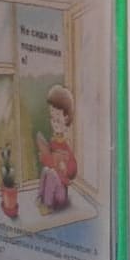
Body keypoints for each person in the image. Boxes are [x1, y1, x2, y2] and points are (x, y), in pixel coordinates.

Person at [36, 85, 78, 214]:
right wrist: (44, 156)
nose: (54, 123)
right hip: (53, 189)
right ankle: (41, 197)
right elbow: (49, 159)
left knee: (51, 173)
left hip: (60, 194)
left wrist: (65, 168)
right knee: (46, 170)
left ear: (66, 119)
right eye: (52, 119)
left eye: (58, 120)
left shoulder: (66, 147)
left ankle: (47, 205)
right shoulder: (53, 141)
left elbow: (73, 170)